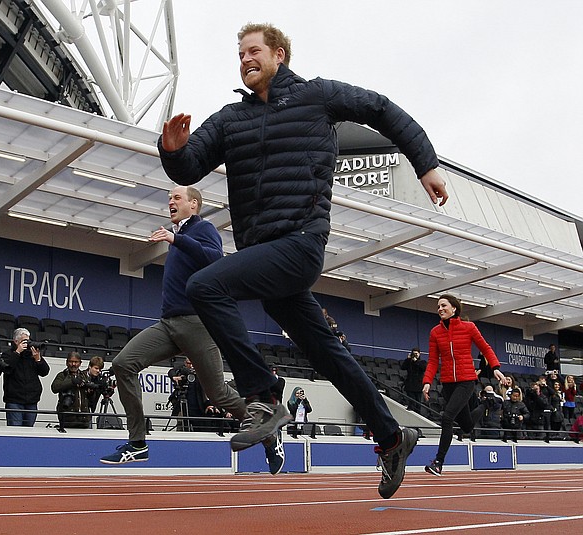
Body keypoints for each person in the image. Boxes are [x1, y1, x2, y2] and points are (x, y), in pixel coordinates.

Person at [157, 22, 444, 498]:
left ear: (280, 55)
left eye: (253, 51)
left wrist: (425, 163)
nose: (245, 59)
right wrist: (171, 148)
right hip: (264, 254)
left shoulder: (317, 96)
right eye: (240, 54)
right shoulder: (231, 118)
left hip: (301, 242)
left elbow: (380, 109)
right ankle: (393, 436)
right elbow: (189, 166)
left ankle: (264, 394)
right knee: (328, 354)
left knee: (205, 285)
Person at [100, 186, 262, 469]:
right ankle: (137, 444)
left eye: (176, 198)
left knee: (217, 394)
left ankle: (263, 422)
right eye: (169, 199)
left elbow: (215, 259)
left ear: (194, 204)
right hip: (168, 324)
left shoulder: (203, 228)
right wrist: (176, 239)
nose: (170, 202)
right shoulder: (180, 236)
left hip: (197, 324)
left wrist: (176, 239)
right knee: (123, 364)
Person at [421, 294, 506, 476]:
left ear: (454, 308)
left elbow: (485, 348)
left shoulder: (469, 327)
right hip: (448, 384)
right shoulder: (435, 332)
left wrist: (495, 367)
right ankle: (487, 403)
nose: (440, 309)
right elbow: (433, 360)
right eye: (438, 307)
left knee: (447, 418)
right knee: (466, 426)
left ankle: (438, 462)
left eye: (444, 305)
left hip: (466, 381)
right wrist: (427, 382)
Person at [1, 328, 50, 427]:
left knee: (29, 431)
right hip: (14, 401)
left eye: (28, 340)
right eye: (24, 341)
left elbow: (45, 372)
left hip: (32, 400)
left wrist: (38, 359)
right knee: (15, 431)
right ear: (16, 341)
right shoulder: (8, 354)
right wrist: (17, 352)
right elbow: (7, 368)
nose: (27, 344)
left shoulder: (31, 355)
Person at [51, 351, 92, 429]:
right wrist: (72, 381)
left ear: (80, 363)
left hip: (84, 418)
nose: (73, 364)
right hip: (67, 418)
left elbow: (90, 398)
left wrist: (91, 391)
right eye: (71, 362)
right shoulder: (62, 375)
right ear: (67, 362)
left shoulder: (84, 376)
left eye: (76, 362)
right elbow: (54, 388)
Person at [400, 348, 426, 412]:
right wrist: (408, 359)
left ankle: (417, 412)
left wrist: (416, 361)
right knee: (411, 399)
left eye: (416, 354)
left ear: (419, 354)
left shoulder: (422, 362)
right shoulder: (409, 362)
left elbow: (423, 368)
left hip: (418, 384)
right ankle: (411, 409)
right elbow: (403, 367)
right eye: (413, 354)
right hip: (410, 383)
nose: (415, 355)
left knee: (418, 400)